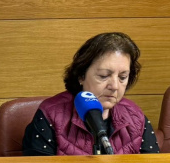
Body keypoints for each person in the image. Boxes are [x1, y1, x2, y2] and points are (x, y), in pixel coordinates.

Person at [22, 32, 160, 156]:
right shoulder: (51, 115)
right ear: (81, 75)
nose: (115, 86)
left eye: (122, 77)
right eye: (104, 76)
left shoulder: (136, 116)